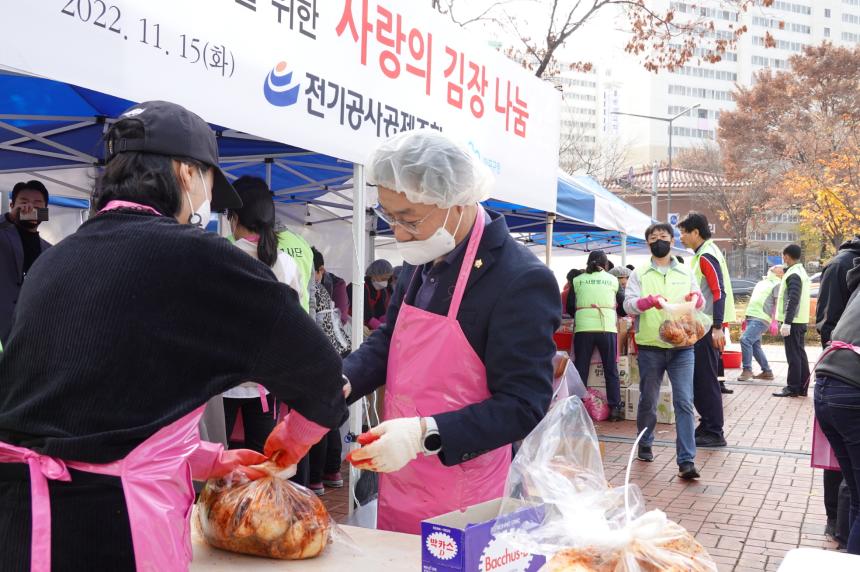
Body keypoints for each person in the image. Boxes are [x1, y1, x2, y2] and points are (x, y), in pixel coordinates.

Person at [0, 101, 348, 571]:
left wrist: (205, 459)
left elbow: (83, 400)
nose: (211, 201)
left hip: (18, 523)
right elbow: (322, 373)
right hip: (114, 529)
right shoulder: (199, 258)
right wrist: (295, 437)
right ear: (186, 173)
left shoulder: (54, 260)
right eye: (209, 182)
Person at [342, 130, 560, 534]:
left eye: (409, 220)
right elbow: (391, 340)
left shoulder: (520, 279)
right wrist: (342, 380)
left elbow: (524, 404)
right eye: (389, 217)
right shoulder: (420, 260)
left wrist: (424, 434)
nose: (399, 234)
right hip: (399, 475)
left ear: (457, 204)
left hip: (463, 489)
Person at [222, 176, 303, 456]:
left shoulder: (219, 255)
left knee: (216, 463)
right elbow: (296, 326)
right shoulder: (287, 264)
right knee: (262, 462)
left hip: (220, 380)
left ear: (234, 218)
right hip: (265, 380)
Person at [624, 222, 704, 480]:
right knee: (648, 399)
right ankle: (645, 441)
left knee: (684, 401)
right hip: (650, 347)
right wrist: (646, 302)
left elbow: (697, 300)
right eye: (654, 237)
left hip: (682, 346)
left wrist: (698, 299)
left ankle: (686, 460)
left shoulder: (685, 271)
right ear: (648, 243)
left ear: (672, 241)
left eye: (664, 236)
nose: (659, 240)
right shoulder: (640, 273)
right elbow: (627, 305)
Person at [814, 235, 860, 541]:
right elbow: (826, 323)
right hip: (850, 388)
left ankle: (845, 539)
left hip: (829, 383)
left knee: (855, 491)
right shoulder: (841, 266)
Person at [678, 212, 736, 448]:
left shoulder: (706, 255)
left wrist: (717, 326)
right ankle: (708, 423)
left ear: (695, 233)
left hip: (707, 326)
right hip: (704, 325)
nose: (680, 237)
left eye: (683, 232)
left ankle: (714, 431)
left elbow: (718, 291)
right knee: (701, 378)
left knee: (705, 379)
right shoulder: (703, 253)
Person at [308, 247, 351, 496]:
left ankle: (316, 478)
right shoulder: (323, 289)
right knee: (330, 419)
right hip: (337, 354)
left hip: (326, 358)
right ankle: (331, 472)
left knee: (319, 419)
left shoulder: (315, 291)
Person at [570, 250, 624, 421]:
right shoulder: (613, 280)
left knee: (581, 369)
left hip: (583, 329)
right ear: (605, 264)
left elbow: (570, 307)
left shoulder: (577, 280)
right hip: (606, 327)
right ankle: (615, 408)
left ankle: (576, 407)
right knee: (610, 369)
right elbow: (622, 306)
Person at [0, 180, 52, 344]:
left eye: (37, 203)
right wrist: (9, 218)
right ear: (12, 205)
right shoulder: (3, 236)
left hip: (36, 332)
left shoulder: (50, 250)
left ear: (45, 210)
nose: (30, 207)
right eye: (23, 202)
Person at [773, 244, 812, 398]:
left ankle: (793, 387)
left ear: (787, 256)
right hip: (800, 320)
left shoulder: (793, 274)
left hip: (793, 322)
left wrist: (787, 322)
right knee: (800, 353)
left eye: (783, 256)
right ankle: (802, 386)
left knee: (793, 355)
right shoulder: (800, 272)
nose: (783, 259)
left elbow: (793, 299)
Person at [738, 266, 784, 381]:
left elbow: (777, 303)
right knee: (754, 345)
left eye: (780, 267)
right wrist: (746, 316)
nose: (776, 267)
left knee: (745, 340)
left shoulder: (778, 284)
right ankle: (767, 372)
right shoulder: (762, 283)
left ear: (781, 273)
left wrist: (775, 320)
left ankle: (747, 370)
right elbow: (754, 300)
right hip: (752, 316)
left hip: (761, 317)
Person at [348, 258, 394, 331]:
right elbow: (366, 314)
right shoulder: (359, 286)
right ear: (374, 275)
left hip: (366, 325)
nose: (385, 282)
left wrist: (386, 323)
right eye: (383, 279)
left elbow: (380, 312)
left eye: (387, 279)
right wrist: (382, 328)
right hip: (351, 324)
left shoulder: (380, 290)